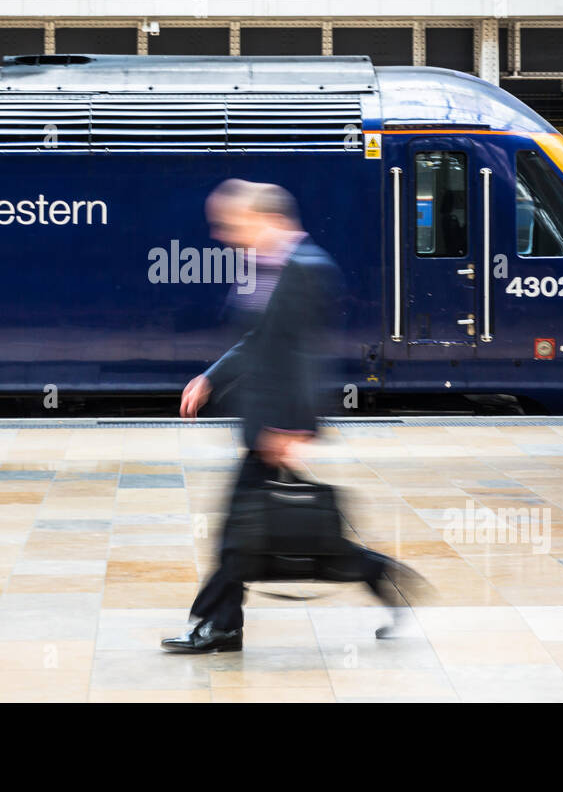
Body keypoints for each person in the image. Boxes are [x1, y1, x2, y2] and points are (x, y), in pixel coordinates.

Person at [161, 181, 418, 654]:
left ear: (265, 217)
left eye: (231, 223)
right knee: (277, 533)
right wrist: (212, 378)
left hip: (279, 423)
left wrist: (297, 426)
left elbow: (306, 355)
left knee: (240, 534)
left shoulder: (305, 268)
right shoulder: (265, 264)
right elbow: (256, 341)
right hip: (263, 420)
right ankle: (376, 574)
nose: (223, 233)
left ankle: (219, 625)